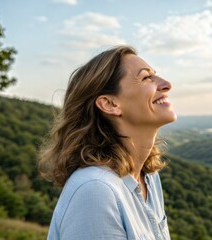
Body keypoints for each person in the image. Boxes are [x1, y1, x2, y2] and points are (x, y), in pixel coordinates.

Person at [38, 45, 176, 240]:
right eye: (146, 77)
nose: (166, 84)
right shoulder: (95, 191)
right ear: (110, 104)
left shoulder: (149, 178)